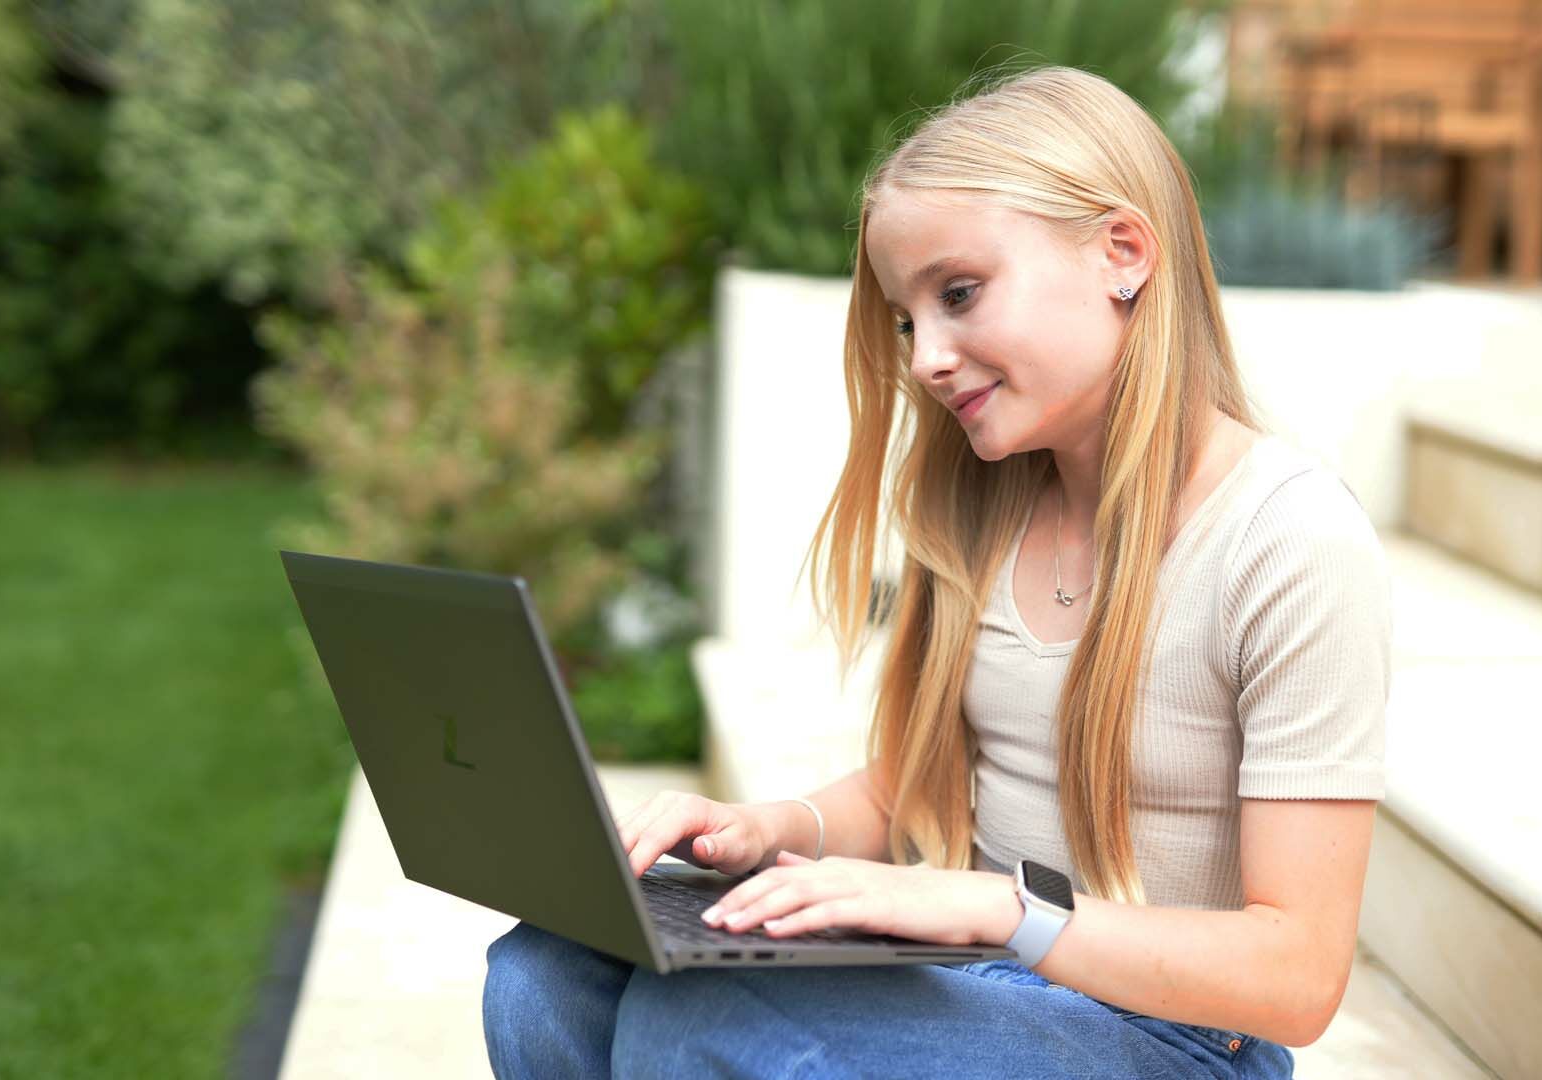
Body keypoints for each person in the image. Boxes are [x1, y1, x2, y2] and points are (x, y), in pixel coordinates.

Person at [483, 63, 1390, 1079]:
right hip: (986, 984)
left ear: (1121, 253)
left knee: (699, 1026)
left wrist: (993, 908)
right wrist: (766, 827)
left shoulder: (1288, 541)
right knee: (545, 971)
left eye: (959, 294)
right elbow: (914, 786)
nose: (923, 359)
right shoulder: (986, 506)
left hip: (1172, 1037)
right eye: (910, 319)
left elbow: (1297, 976)